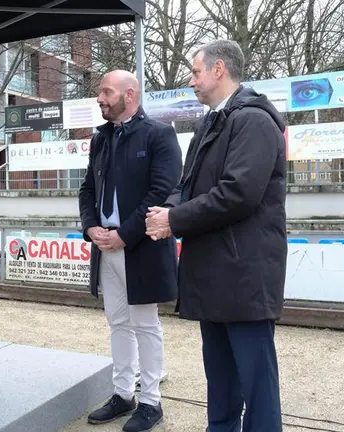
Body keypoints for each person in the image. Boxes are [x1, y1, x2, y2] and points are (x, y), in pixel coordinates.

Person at [145, 40, 287, 432]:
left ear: (218, 69)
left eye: (195, 72)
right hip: (215, 274)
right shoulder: (212, 121)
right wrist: (165, 211)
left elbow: (238, 194)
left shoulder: (254, 121)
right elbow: (187, 184)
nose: (191, 81)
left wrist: (175, 220)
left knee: (257, 386)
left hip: (245, 276)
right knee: (221, 382)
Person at [78, 70, 182, 432]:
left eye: (106, 91)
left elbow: (162, 192)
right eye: (100, 92)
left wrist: (124, 234)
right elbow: (87, 190)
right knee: (117, 323)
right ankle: (124, 394)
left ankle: (151, 401)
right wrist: (90, 227)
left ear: (130, 94)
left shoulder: (159, 134)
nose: (100, 98)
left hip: (140, 248)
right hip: (105, 246)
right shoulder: (100, 139)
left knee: (144, 324)